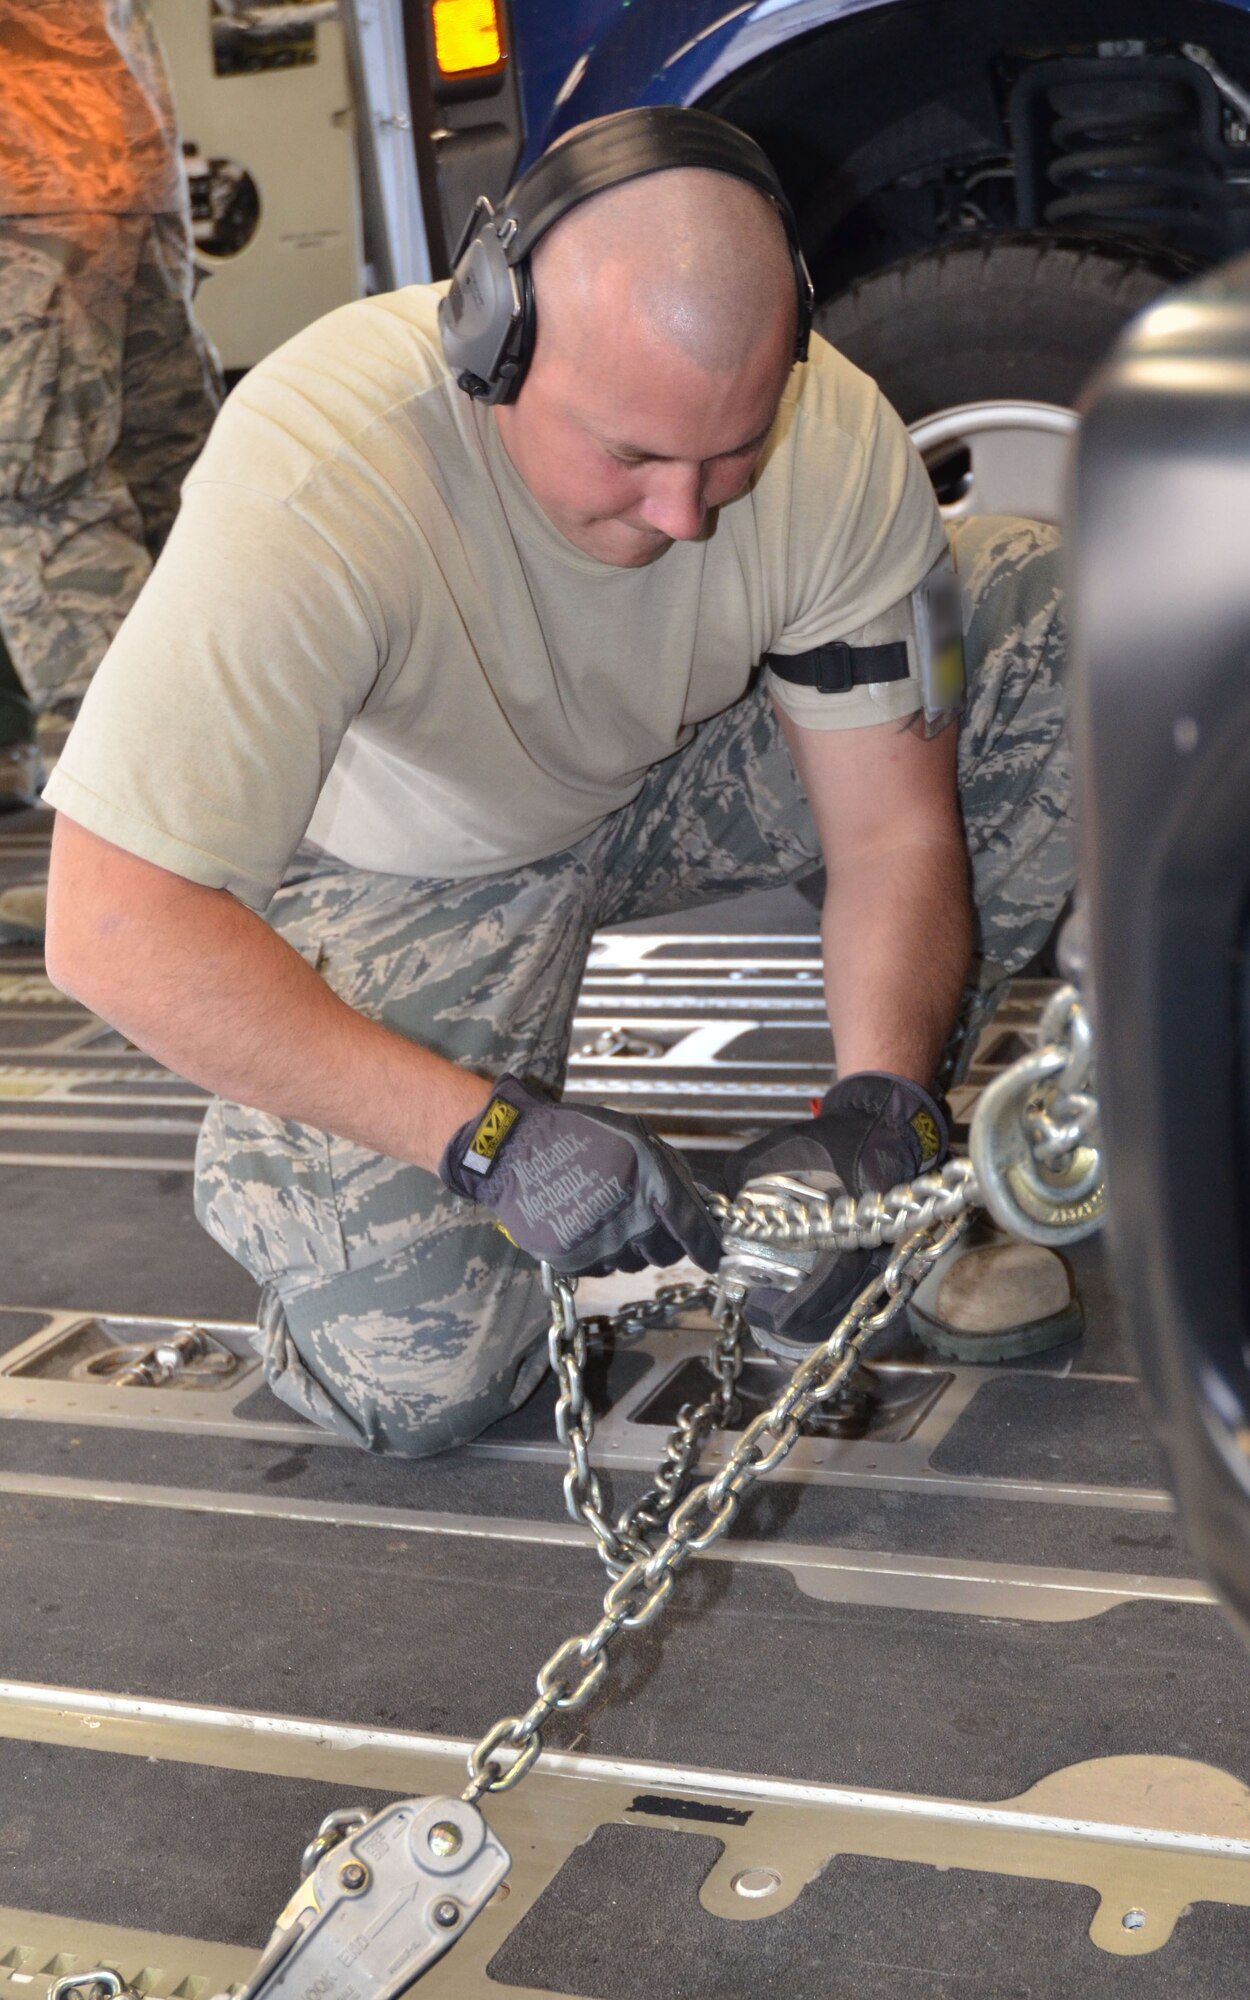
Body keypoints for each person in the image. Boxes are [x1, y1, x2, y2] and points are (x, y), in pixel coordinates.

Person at [41, 109, 1076, 1455]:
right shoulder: (325, 472)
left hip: (662, 774)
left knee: (1048, 617)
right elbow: (111, 926)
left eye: (730, 451)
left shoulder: (832, 439)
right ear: (493, 344)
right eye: (632, 456)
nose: (686, 515)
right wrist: (488, 1141)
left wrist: (876, 1111)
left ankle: (893, 1211)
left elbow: (893, 835)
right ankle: (289, 1161)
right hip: (409, 865)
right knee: (424, 1387)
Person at [0, 0, 220, 930]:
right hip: (121, 151)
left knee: (45, 516)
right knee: (184, 503)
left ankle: (136, 882)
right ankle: (250, 825)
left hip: (23, 194)